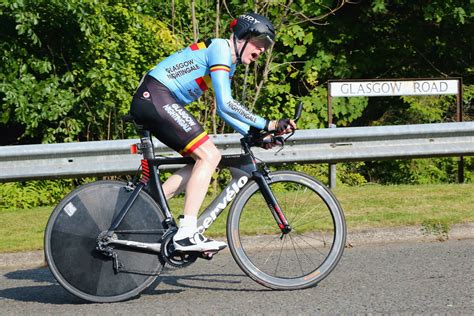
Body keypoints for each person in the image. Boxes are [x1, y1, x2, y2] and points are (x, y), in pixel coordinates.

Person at [130, 13, 296, 253]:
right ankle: (186, 233)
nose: (262, 51)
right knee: (210, 156)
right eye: (260, 43)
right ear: (243, 37)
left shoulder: (228, 64)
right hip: (156, 96)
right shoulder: (220, 48)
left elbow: (223, 111)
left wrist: (256, 134)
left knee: (199, 162)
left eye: (265, 47)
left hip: (157, 99)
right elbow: (227, 103)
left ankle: (146, 207)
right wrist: (267, 123)